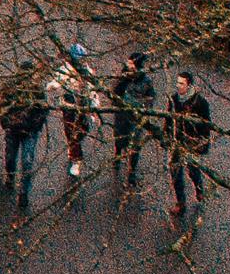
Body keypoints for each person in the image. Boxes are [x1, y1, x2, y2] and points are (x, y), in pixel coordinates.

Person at [164, 72, 215, 225]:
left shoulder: (200, 103)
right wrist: (166, 135)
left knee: (193, 170)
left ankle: (199, 188)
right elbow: (168, 118)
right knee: (175, 171)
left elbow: (206, 126)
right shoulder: (174, 99)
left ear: (189, 85)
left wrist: (201, 144)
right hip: (177, 140)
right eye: (177, 83)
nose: (178, 86)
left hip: (192, 142)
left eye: (181, 84)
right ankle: (181, 202)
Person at [0, 72, 50, 209]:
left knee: (27, 162)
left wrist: (34, 127)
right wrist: (7, 124)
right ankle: (10, 176)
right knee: (10, 157)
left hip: (29, 133)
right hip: (13, 131)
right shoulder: (9, 88)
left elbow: (43, 111)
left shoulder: (37, 90)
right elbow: (2, 108)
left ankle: (23, 193)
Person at [110, 52, 157, 192]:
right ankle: (117, 155)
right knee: (119, 137)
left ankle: (131, 172)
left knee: (135, 144)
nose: (128, 65)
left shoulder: (146, 81)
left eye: (131, 63)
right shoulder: (123, 77)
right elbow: (114, 92)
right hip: (122, 114)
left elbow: (151, 97)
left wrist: (142, 107)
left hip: (136, 118)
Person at [54, 53, 99, 186]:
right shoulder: (66, 69)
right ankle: (76, 159)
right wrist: (52, 85)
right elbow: (57, 80)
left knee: (81, 132)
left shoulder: (88, 73)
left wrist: (94, 109)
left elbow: (93, 92)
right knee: (70, 132)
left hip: (82, 108)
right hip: (68, 107)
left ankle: (73, 150)